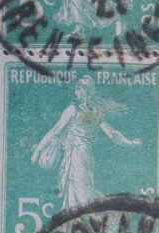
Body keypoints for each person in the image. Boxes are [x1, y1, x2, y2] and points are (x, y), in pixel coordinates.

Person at [31, 74, 140, 212]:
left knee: (81, 191)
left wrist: (37, 151)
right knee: (75, 192)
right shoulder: (90, 112)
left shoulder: (77, 110)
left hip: (77, 156)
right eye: (76, 89)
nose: (76, 92)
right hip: (82, 156)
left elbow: (112, 134)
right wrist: (130, 143)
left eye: (79, 89)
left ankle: (105, 215)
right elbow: (56, 130)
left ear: (87, 91)